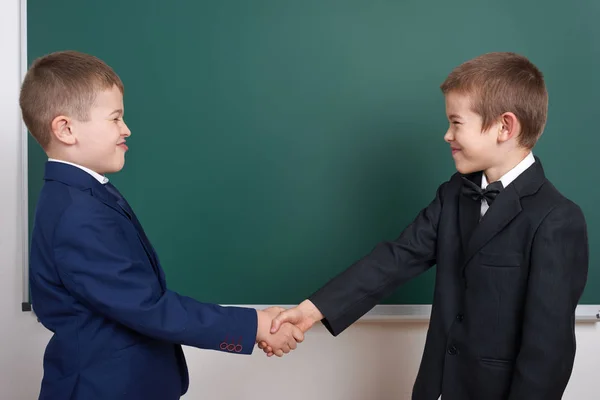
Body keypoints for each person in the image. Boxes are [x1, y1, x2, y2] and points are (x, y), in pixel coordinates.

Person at [262, 52, 589, 400]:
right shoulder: (454, 195)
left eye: (456, 122)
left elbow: (548, 354)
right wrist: (311, 311)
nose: (447, 135)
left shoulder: (556, 219)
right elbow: (396, 258)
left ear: (504, 127)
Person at [21, 50, 303, 400]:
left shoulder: (81, 196)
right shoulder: (78, 213)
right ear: (66, 129)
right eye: (115, 118)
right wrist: (255, 325)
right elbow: (148, 308)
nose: (126, 129)